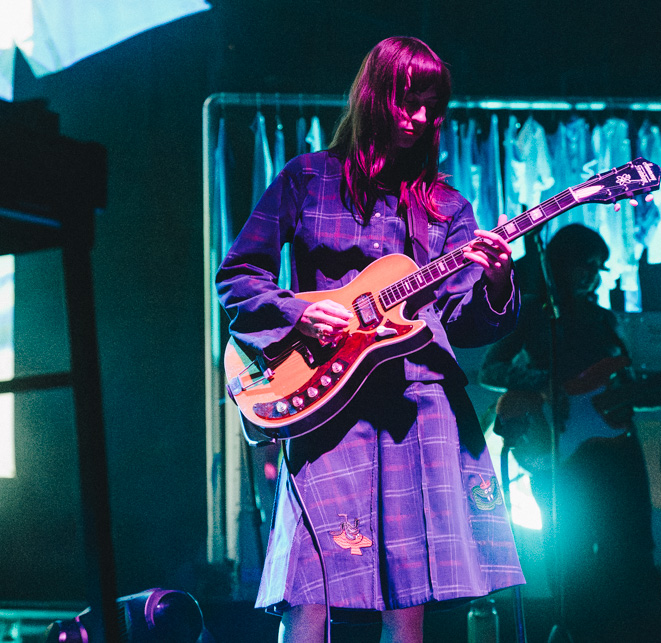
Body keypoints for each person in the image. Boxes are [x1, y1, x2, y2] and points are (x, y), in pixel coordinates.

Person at [216, 37, 525, 643]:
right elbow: (236, 277)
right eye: (408, 102)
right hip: (327, 399)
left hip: (420, 407)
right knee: (311, 589)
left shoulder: (446, 208)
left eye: (432, 108)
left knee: (410, 593)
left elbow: (463, 321)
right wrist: (296, 314)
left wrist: (497, 280)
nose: (419, 119)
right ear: (373, 96)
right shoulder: (307, 179)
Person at [479, 224, 661, 642]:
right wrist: (543, 384)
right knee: (568, 553)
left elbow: (621, 395)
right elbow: (491, 369)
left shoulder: (604, 320)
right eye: (587, 267)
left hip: (617, 451)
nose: (595, 277)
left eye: (599, 269)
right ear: (560, 265)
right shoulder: (533, 315)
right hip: (559, 451)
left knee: (632, 549)